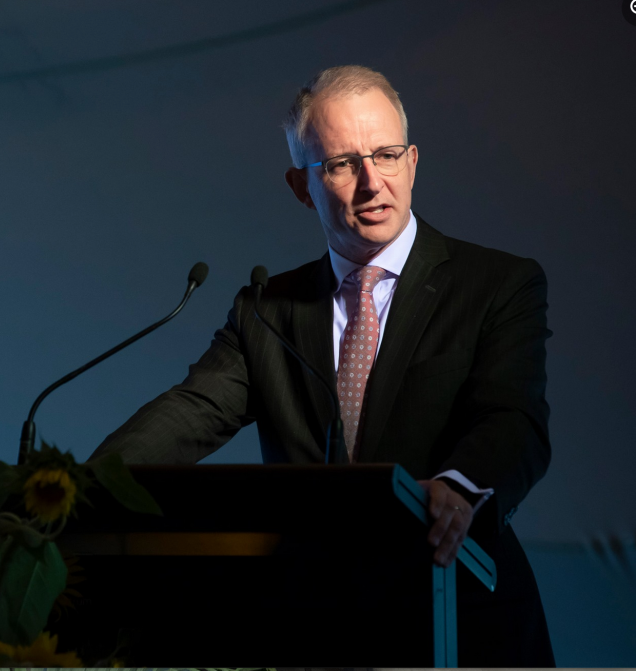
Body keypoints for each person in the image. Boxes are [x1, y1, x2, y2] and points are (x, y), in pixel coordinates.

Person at [88, 65, 555, 667]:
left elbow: (513, 419)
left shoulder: (498, 285)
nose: (371, 182)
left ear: (412, 162)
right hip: (316, 628)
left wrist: (458, 490)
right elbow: (191, 411)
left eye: (385, 156)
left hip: (462, 616)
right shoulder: (267, 310)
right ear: (301, 185)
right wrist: (75, 491)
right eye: (341, 164)